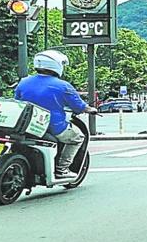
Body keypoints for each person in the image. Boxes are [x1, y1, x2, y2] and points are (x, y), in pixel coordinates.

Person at [14, 50, 98, 178]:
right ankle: (62, 168)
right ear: (56, 65)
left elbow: (18, 100)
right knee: (77, 138)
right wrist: (90, 109)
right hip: (52, 126)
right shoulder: (63, 86)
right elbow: (78, 106)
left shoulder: (24, 82)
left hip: (26, 125)